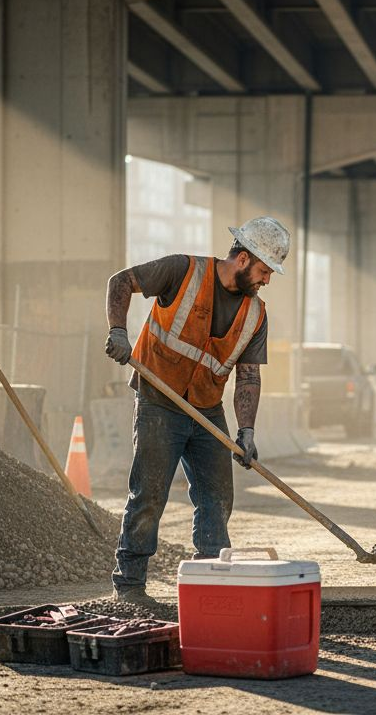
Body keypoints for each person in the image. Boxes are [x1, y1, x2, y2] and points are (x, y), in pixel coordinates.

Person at [102, 216, 290, 605]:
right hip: (158, 401)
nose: (266, 280)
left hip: (207, 409)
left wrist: (247, 431)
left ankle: (211, 583)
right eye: (264, 270)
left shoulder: (256, 315)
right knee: (149, 494)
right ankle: (130, 587)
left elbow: (249, 376)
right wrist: (118, 331)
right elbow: (120, 281)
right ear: (242, 258)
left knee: (217, 499)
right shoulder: (181, 271)